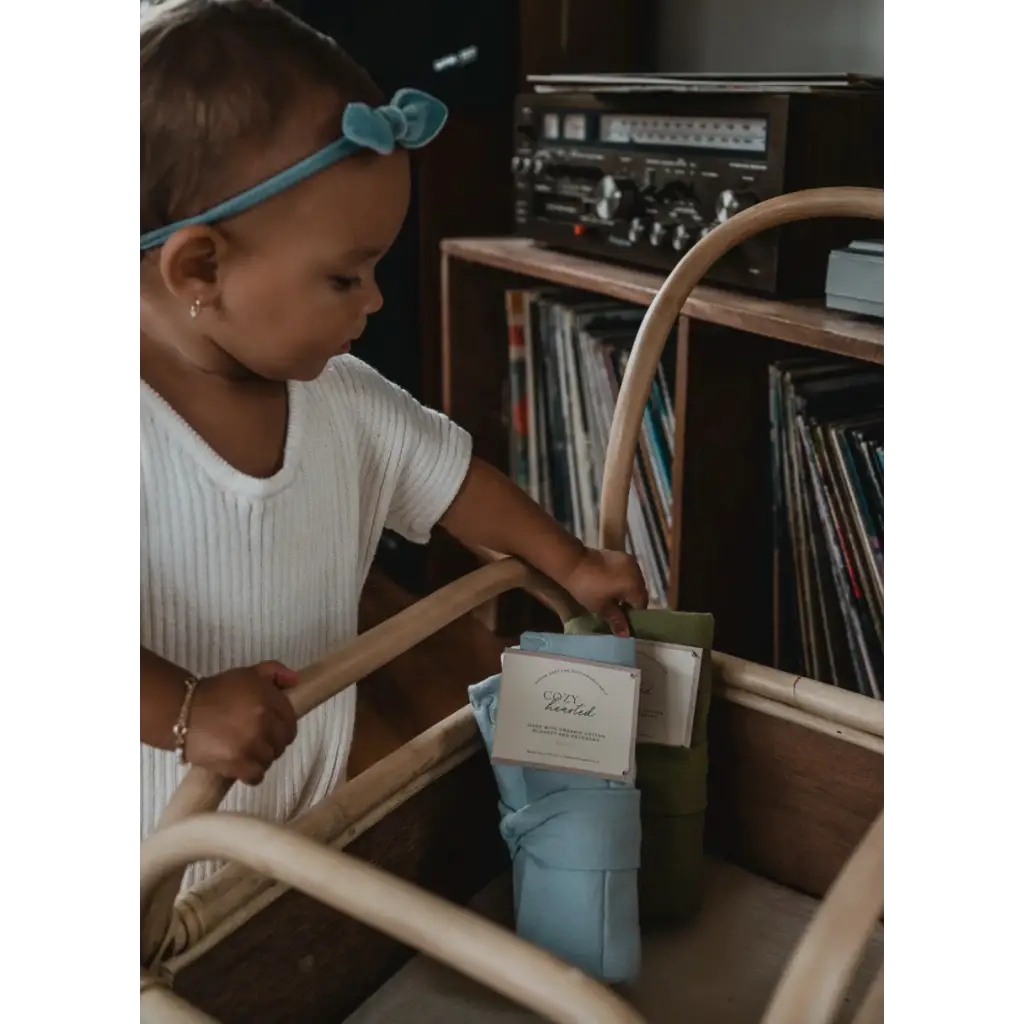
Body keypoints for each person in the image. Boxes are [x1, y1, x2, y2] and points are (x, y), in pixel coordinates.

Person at [137, 0, 649, 892]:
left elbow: (453, 481)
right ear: (200, 270)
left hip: (292, 810)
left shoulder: (340, 398)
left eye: (377, 270)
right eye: (345, 276)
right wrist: (182, 712)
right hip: (154, 836)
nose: (373, 302)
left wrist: (568, 560)